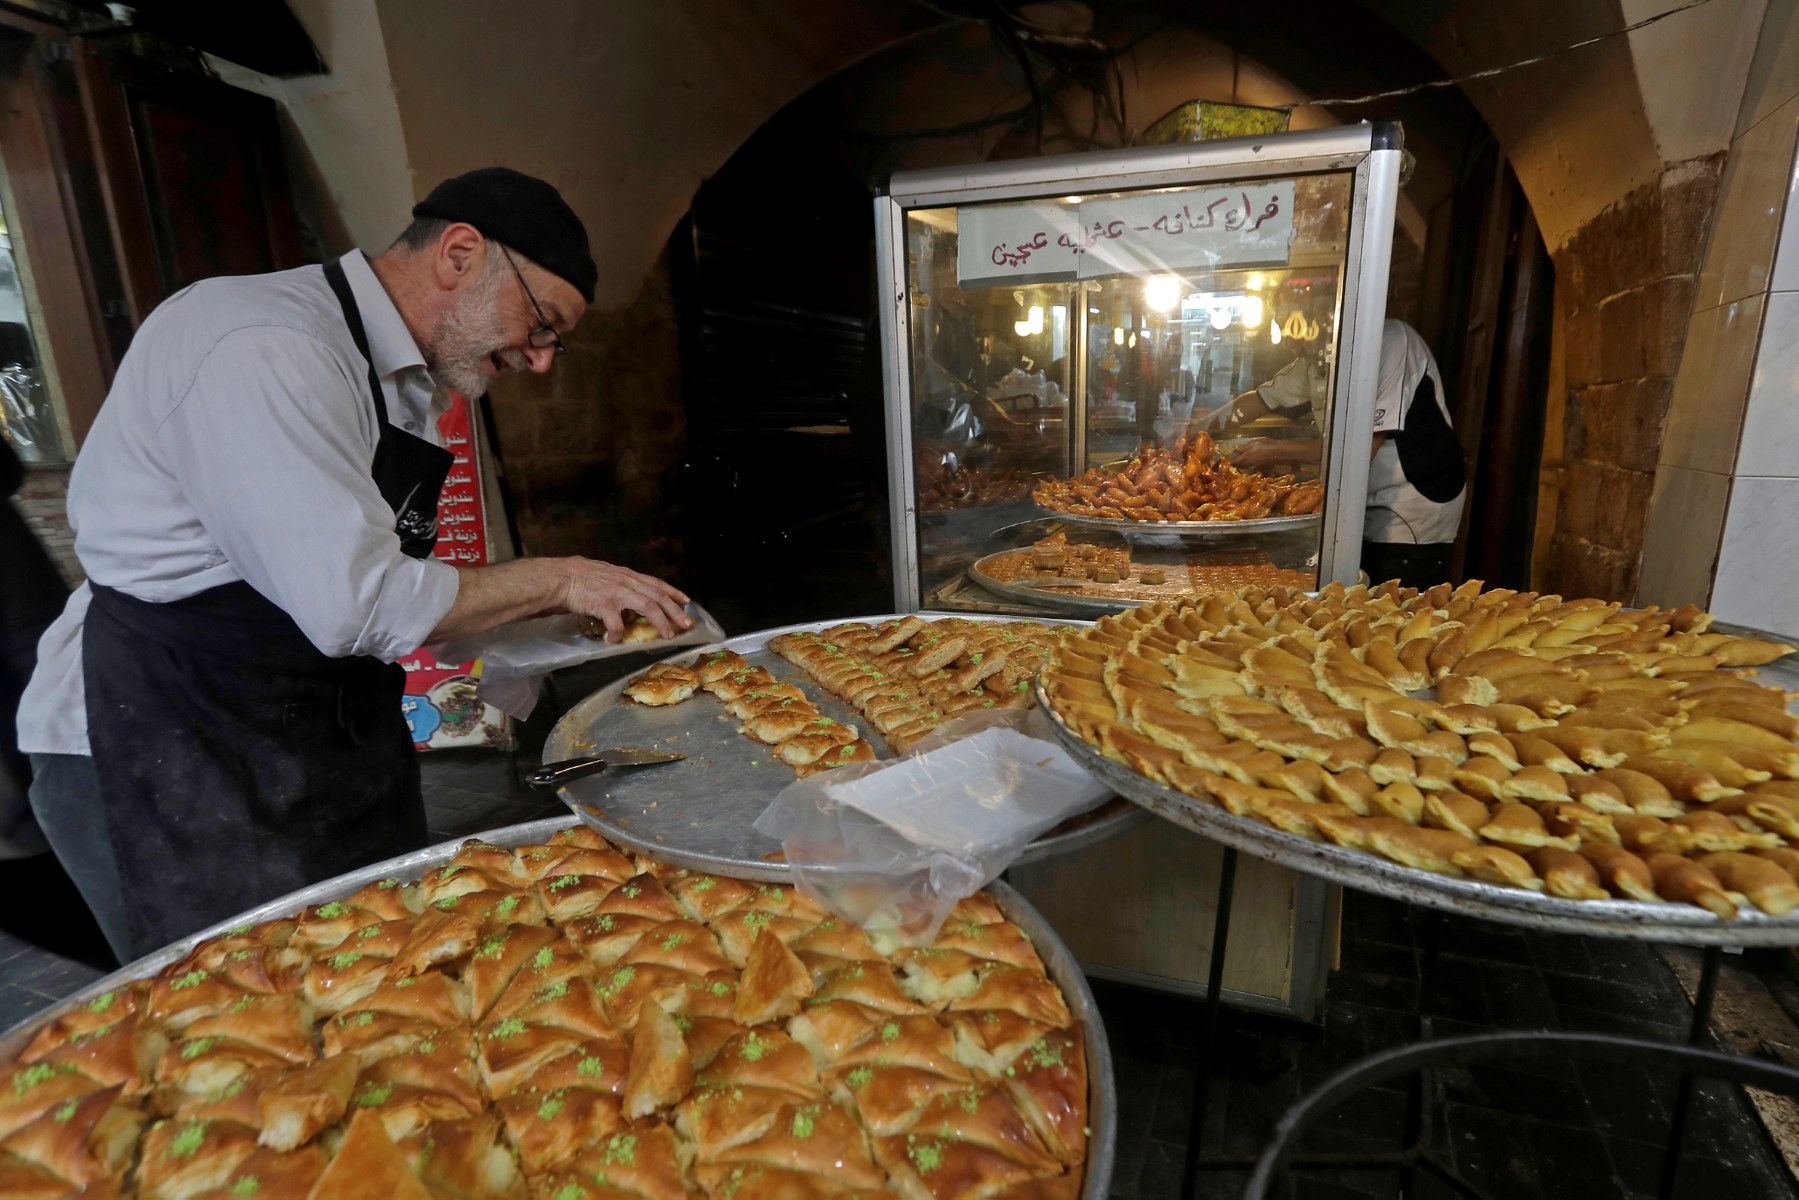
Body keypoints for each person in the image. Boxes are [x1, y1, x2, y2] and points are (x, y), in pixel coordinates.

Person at [16, 167, 694, 962]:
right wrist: (559, 575)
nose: (541, 360)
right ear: (462, 253)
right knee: (247, 1024)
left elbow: (400, 589)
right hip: (167, 744)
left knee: (385, 980)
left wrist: (545, 631)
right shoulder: (263, 343)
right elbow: (359, 603)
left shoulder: (404, 388)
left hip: (314, 738)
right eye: (541, 323)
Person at [1215, 319, 1466, 589]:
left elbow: (1362, 448)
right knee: (1358, 592)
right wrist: (1195, 431)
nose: (1295, 343)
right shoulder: (1316, 361)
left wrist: (1276, 450)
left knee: (1394, 600)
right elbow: (1259, 400)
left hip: (1409, 506)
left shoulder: (1389, 342)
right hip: (1356, 500)